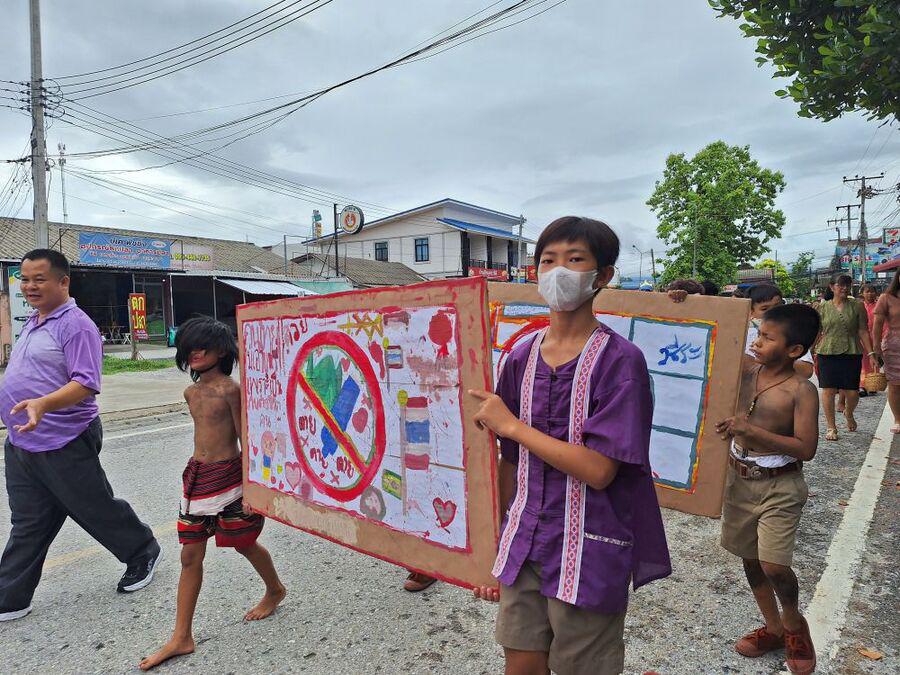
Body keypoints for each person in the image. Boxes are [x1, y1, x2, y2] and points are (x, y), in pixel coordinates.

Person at [470, 216, 671, 675]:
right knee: (520, 662)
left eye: (575, 259)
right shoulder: (520, 356)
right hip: (524, 540)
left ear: (603, 276)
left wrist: (513, 426)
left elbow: (599, 470)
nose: (558, 271)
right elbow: (509, 462)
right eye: (548, 260)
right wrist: (492, 542)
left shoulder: (621, 361)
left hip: (589, 545)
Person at [0, 250, 162, 622]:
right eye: (25, 279)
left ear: (63, 281)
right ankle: (10, 596)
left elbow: (86, 383)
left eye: (39, 279)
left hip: (64, 436)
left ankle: (143, 551)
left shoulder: (76, 325)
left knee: (93, 507)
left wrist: (43, 404)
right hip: (23, 440)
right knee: (29, 519)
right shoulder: (35, 321)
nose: (30, 286)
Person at [139, 317, 285, 671]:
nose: (195, 352)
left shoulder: (231, 390)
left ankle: (275, 589)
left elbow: (246, 439)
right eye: (190, 347)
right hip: (198, 479)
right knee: (190, 555)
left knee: (244, 543)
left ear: (221, 352)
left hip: (230, 478)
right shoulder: (190, 393)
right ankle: (181, 636)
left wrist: (254, 489)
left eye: (203, 347)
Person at [716, 303, 821, 675]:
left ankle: (793, 624)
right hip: (739, 480)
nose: (757, 342)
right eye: (758, 334)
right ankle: (773, 628)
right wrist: (681, 298)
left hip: (781, 484)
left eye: (767, 338)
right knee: (750, 558)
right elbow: (707, 334)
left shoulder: (801, 391)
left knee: (774, 564)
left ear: (794, 350)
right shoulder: (746, 369)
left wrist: (752, 432)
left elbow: (806, 448)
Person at [815, 274, 877, 441]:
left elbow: (863, 330)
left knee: (852, 392)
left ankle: (848, 413)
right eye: (840, 285)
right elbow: (818, 331)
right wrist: (809, 350)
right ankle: (831, 427)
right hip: (827, 352)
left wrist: (871, 353)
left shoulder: (857, 305)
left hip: (851, 351)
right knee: (828, 390)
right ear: (832, 287)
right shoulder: (822, 307)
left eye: (847, 285)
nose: (844, 288)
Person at [747, 284, 814, 380]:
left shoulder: (792, 331)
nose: (773, 312)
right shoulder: (743, 336)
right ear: (750, 312)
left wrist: (770, 361)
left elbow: (806, 370)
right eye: (764, 309)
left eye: (777, 306)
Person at [873, 270, 900, 433]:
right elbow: (877, 324)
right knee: (895, 385)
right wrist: (876, 347)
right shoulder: (886, 298)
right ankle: (898, 419)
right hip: (894, 347)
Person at [859, 284, 883, 395]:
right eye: (867, 291)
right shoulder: (859, 306)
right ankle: (862, 385)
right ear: (862, 293)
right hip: (862, 339)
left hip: (876, 338)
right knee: (862, 363)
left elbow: (884, 324)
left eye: (872, 291)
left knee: (874, 361)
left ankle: (873, 383)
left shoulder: (880, 306)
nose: (870, 294)